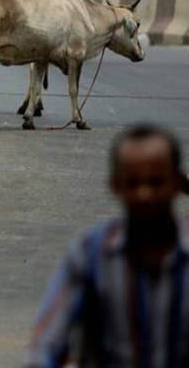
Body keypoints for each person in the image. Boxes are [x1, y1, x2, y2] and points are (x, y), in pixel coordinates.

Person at [25, 124, 189, 367]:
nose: (144, 194)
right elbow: (45, 344)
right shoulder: (89, 255)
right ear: (115, 185)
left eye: (156, 183)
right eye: (133, 183)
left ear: (178, 184)